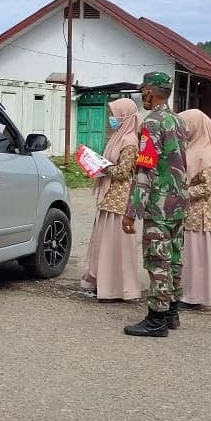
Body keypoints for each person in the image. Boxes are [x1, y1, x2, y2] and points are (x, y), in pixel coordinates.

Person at [122, 72, 189, 337]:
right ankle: (172, 312)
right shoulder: (179, 121)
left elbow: (145, 169)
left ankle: (157, 320)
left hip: (158, 206)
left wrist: (131, 211)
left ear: (150, 91)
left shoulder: (151, 124)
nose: (142, 95)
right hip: (178, 201)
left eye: (142, 90)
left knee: (157, 260)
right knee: (174, 258)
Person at [80, 98, 144, 301]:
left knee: (117, 245)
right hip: (110, 197)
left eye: (115, 115)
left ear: (124, 117)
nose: (111, 119)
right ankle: (105, 284)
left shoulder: (130, 141)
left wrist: (102, 166)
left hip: (120, 199)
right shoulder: (119, 137)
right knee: (105, 243)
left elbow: (125, 172)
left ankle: (119, 288)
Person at [177, 109, 211, 309]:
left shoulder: (205, 154)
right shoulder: (193, 149)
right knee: (190, 256)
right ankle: (189, 293)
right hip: (192, 213)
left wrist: (183, 193)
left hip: (201, 215)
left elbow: (208, 186)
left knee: (197, 257)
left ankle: (194, 296)